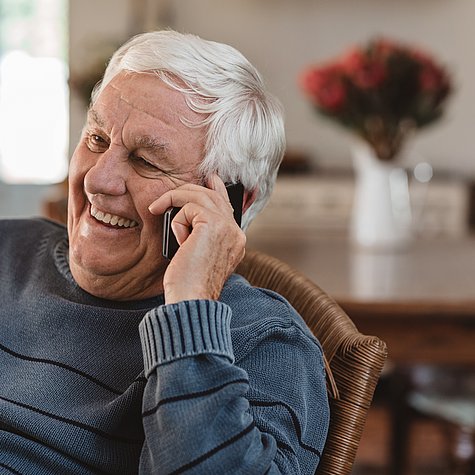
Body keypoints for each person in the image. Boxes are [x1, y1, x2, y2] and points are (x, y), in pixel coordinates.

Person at [0, 30, 329, 474]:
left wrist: (190, 307)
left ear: (230, 204)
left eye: (146, 161)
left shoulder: (263, 341)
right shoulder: (8, 250)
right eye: (97, 139)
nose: (98, 179)